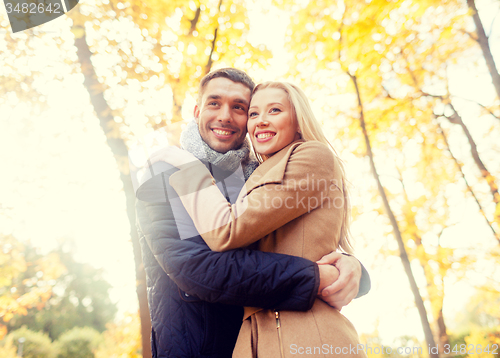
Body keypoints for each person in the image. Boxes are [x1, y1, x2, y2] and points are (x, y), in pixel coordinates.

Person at [134, 69, 370, 358]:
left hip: (270, 340)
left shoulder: (257, 176)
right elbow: (199, 270)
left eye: (239, 108)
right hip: (196, 349)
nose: (225, 116)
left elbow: (294, 237)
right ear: (196, 111)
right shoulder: (165, 172)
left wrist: (350, 266)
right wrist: (317, 277)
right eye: (214, 103)